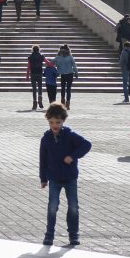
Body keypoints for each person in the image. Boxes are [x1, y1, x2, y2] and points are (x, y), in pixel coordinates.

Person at [39, 102, 92, 247]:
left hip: (70, 177)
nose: (54, 125)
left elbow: (87, 145)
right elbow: (42, 159)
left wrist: (73, 156)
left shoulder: (70, 135)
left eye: (58, 122)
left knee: (73, 206)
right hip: (54, 178)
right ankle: (49, 235)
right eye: (51, 122)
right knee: (52, 206)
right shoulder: (46, 139)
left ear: (63, 121)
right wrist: (43, 178)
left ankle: (73, 235)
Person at [53, 44, 78, 108]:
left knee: (63, 88)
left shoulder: (58, 57)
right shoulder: (70, 57)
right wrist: (76, 73)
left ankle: (62, 100)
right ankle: (68, 103)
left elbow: (52, 63)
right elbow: (74, 65)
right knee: (68, 89)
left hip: (62, 75)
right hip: (70, 74)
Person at [26, 45, 45, 110]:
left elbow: (28, 67)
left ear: (33, 50)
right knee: (40, 87)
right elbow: (47, 62)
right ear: (38, 49)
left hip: (33, 74)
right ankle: (40, 100)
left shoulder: (30, 57)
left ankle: (34, 103)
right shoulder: (41, 56)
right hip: (39, 73)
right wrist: (51, 65)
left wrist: (27, 76)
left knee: (34, 88)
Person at [118, 37, 130, 104]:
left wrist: (121, 67)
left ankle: (126, 98)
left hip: (125, 69)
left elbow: (121, 61)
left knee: (125, 84)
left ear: (124, 46)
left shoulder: (124, 52)